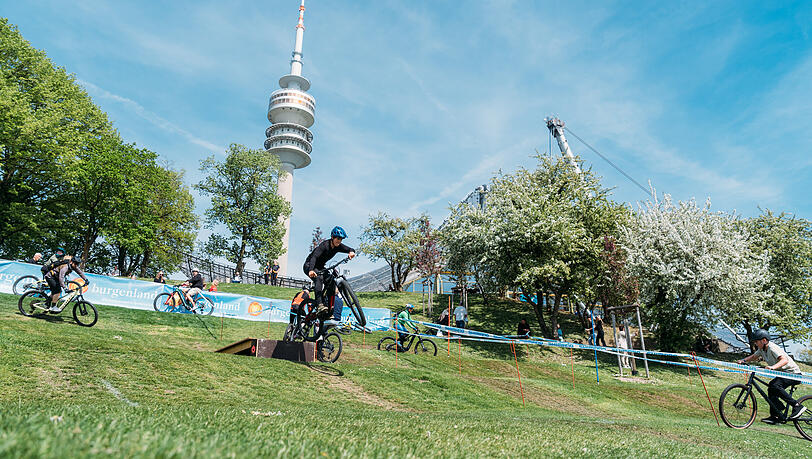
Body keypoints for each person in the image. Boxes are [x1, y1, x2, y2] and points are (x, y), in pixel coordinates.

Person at [737, 328, 806, 424]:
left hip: (793, 374)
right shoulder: (762, 349)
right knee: (771, 388)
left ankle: (797, 406)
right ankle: (775, 416)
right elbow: (753, 357)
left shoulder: (772, 348)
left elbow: (784, 360)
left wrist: (773, 367)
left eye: (757, 341)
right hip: (784, 374)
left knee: (775, 385)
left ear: (764, 340)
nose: (756, 344)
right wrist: (743, 361)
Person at [303, 226, 355, 320]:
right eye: (338, 239)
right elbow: (314, 257)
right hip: (309, 265)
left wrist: (351, 252)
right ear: (332, 237)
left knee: (331, 281)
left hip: (320, 268)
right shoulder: (324, 245)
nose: (339, 241)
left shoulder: (338, 247)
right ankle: (319, 305)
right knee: (319, 278)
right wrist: (311, 270)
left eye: (341, 239)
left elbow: (350, 249)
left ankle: (329, 310)